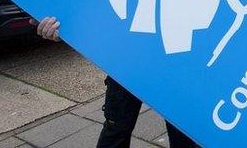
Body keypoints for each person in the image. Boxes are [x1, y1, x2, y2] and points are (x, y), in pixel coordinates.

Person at [32, 17, 198, 148]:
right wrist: (62, 25)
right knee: (116, 131)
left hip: (178, 60)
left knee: (184, 135)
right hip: (126, 62)